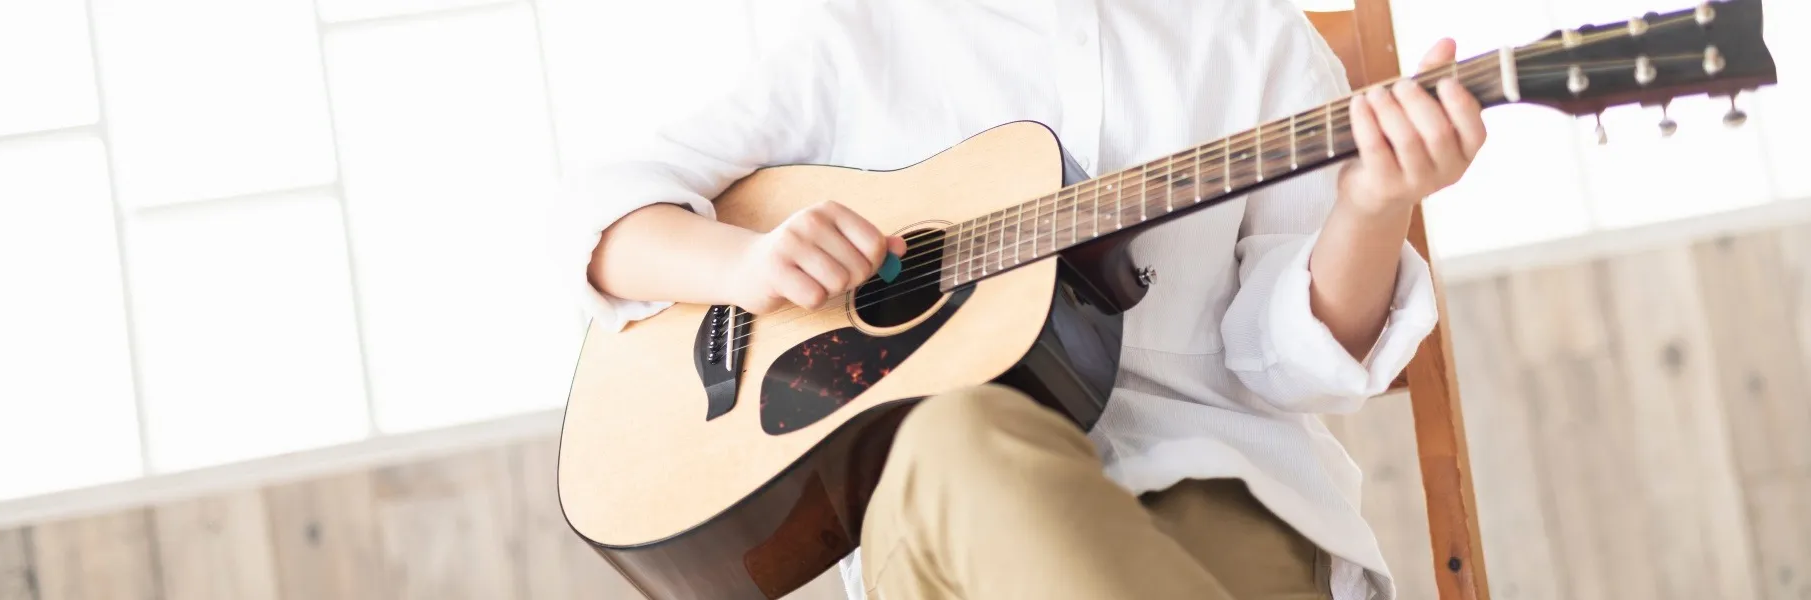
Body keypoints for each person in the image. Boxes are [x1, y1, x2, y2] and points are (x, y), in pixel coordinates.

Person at [563, 1, 1485, 598]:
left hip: (1215, 494)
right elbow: (603, 220)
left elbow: (1293, 370)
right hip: (945, 517)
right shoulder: (858, 39)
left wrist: (1375, 205)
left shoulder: (1251, 39)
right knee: (956, 435)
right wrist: (748, 265)